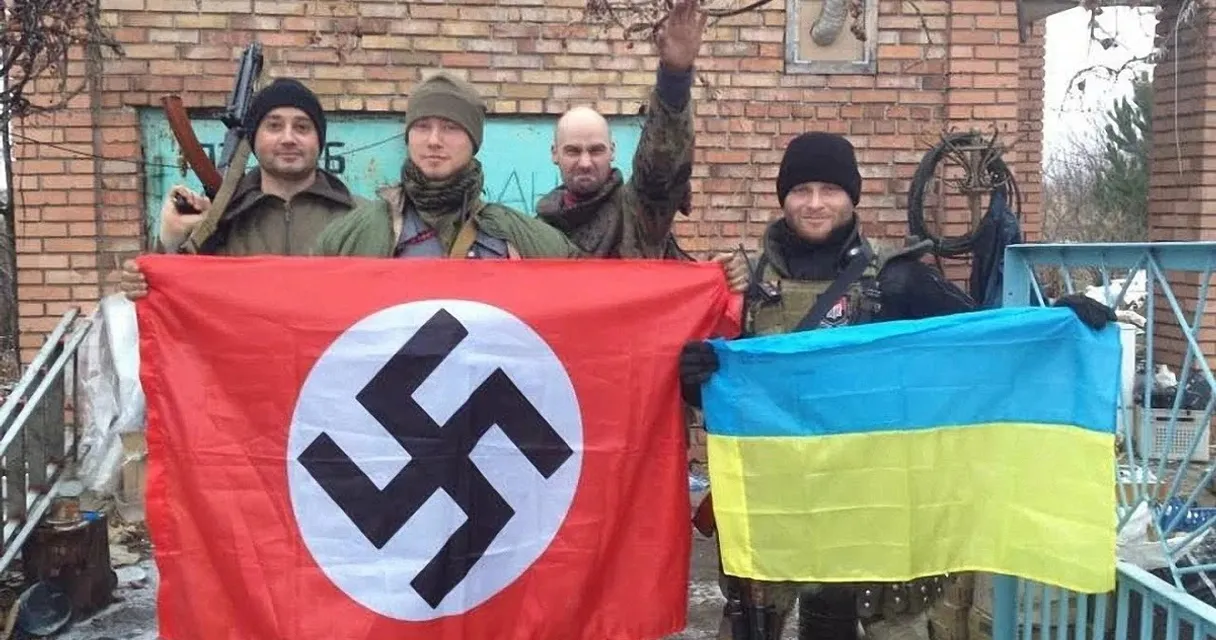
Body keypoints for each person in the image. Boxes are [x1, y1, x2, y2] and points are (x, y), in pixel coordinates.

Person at [677, 132, 1115, 640]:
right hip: (769, 497)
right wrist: (695, 376)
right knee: (752, 626)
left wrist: (1055, 325)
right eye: (801, 190)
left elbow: (981, 342)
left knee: (834, 624)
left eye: (829, 189)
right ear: (783, 197)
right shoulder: (745, 287)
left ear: (851, 196)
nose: (815, 203)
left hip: (866, 498)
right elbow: (717, 393)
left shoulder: (897, 279)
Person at [538, 0, 747, 290]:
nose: (585, 162)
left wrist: (674, 76)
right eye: (573, 151)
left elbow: (662, 162)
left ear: (612, 151)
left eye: (596, 150)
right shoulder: (536, 231)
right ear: (554, 154)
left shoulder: (640, 210)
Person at [120, 78, 363, 299]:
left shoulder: (360, 218)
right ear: (254, 139)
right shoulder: (219, 221)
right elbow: (173, 299)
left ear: (319, 140)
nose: (288, 138)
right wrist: (167, 244)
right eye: (274, 126)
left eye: (302, 127)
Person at [313, 72, 580, 259]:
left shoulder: (521, 237)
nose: (433, 141)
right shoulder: (351, 235)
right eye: (422, 126)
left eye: (451, 128)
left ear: (474, 141)